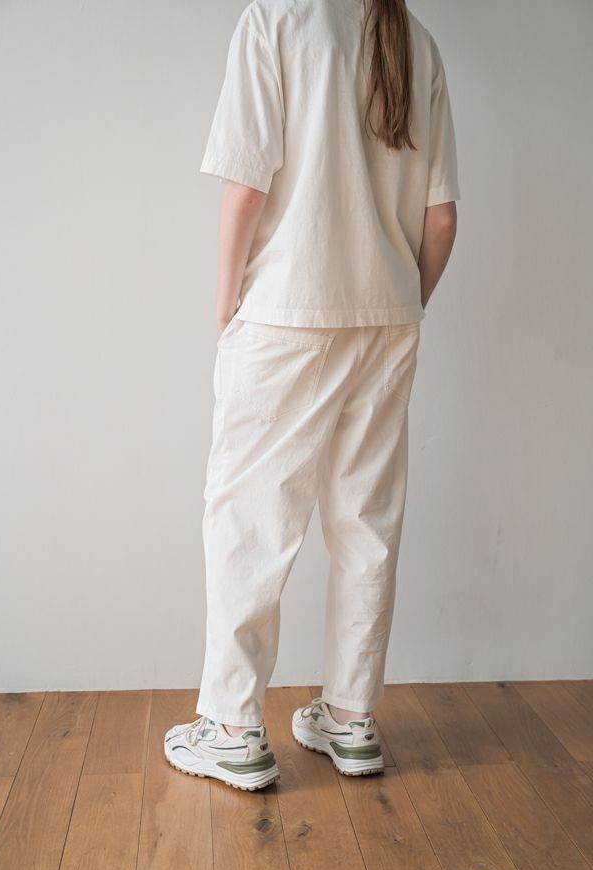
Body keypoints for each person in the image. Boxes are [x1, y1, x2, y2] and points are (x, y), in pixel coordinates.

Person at [165, 0, 459, 791]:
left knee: (250, 515)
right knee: (367, 520)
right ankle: (352, 719)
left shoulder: (278, 19)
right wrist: (402, 304)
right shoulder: (417, 41)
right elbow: (440, 221)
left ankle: (233, 728)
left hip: (287, 311)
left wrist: (226, 306)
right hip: (387, 314)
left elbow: (245, 190)